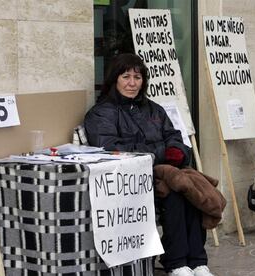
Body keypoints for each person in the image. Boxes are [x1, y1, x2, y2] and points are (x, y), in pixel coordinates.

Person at [84, 53, 214, 276]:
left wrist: (178, 151)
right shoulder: (101, 112)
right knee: (174, 194)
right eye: (126, 77)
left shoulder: (154, 109)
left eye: (137, 77)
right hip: (129, 180)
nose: (132, 83)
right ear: (114, 79)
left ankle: (197, 261)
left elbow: (175, 137)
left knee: (192, 190)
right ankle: (176, 263)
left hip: (162, 173)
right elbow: (111, 148)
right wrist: (163, 152)